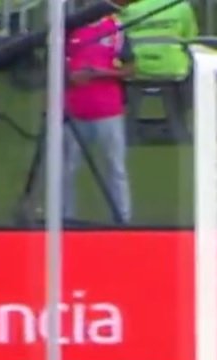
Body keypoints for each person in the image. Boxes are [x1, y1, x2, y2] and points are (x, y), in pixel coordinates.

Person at [64, 13, 132, 224]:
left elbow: (131, 69)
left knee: (115, 167)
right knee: (66, 168)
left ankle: (123, 219)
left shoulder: (116, 27)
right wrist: (70, 77)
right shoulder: (69, 26)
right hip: (73, 111)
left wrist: (100, 73)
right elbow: (52, 67)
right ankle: (64, 218)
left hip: (108, 111)